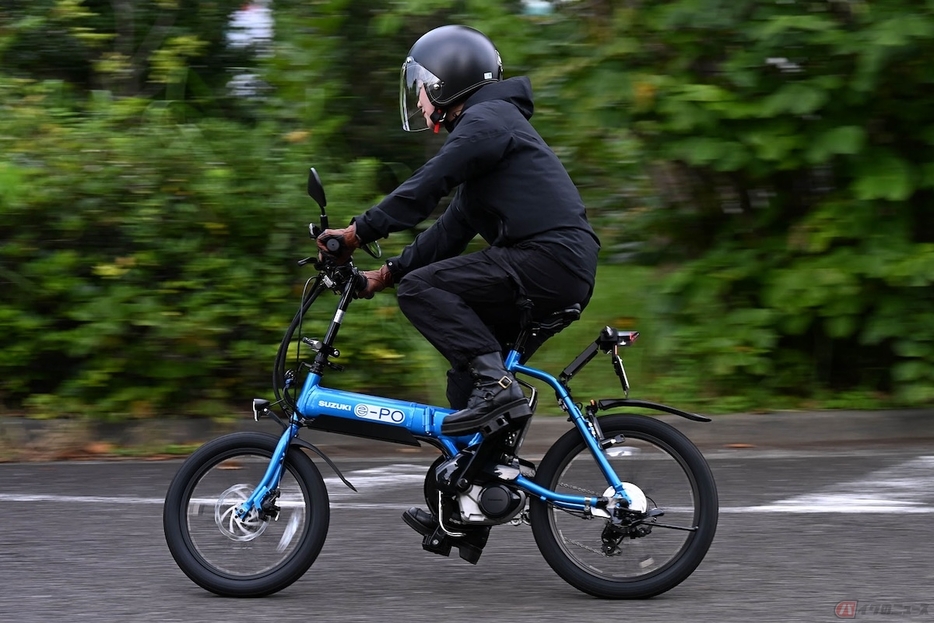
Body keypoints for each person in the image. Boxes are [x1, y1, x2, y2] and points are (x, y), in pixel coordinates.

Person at [316, 25, 600, 536]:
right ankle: (474, 494)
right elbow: (449, 229)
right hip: (556, 267)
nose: (420, 101)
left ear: (450, 82)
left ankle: (498, 387)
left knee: (429, 294)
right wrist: (381, 276)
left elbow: (428, 186)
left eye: (423, 86)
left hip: (549, 261)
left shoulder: (488, 120)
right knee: (466, 379)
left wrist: (358, 232)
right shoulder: (493, 134)